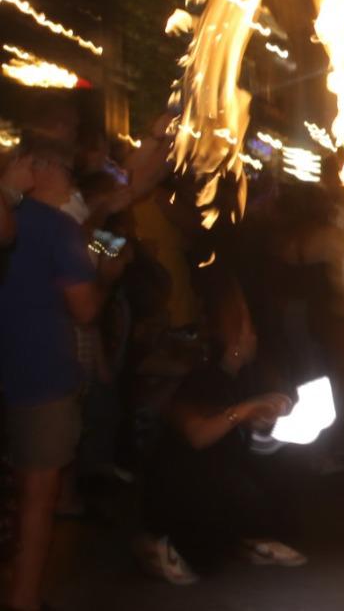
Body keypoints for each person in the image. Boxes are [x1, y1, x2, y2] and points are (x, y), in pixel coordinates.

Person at [0, 138, 122, 611]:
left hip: (14, 364)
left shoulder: (47, 223)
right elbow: (86, 308)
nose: (73, 179)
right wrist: (108, 278)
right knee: (38, 490)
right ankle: (24, 597)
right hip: (42, 368)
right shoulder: (58, 228)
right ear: (42, 169)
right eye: (68, 170)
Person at [138, 272, 304, 583]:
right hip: (178, 490)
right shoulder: (199, 375)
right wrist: (243, 412)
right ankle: (159, 544)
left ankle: (247, 539)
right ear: (236, 337)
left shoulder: (241, 376)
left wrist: (264, 418)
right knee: (211, 534)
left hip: (213, 483)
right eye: (249, 326)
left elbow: (243, 435)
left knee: (278, 475)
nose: (255, 335)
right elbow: (198, 435)